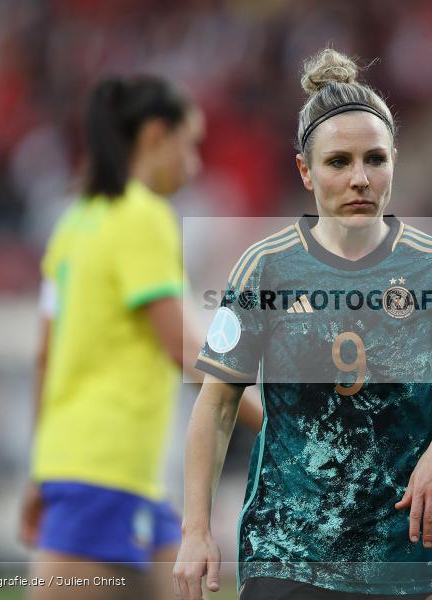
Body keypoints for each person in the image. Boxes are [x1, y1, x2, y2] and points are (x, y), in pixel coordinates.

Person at [173, 49, 432, 600]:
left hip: (406, 563)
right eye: (338, 162)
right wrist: (195, 532)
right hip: (287, 560)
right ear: (306, 171)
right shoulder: (266, 270)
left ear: (394, 162)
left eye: (375, 160)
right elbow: (216, 406)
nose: (360, 178)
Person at [20, 75, 262, 600]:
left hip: (91, 468)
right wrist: (278, 420)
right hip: (108, 471)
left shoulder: (74, 224)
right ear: (156, 135)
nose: (194, 164)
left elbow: (45, 355)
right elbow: (187, 352)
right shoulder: (144, 219)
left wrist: (41, 471)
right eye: (190, 144)